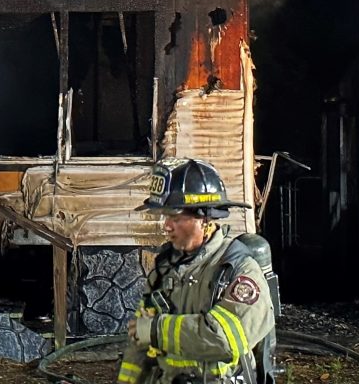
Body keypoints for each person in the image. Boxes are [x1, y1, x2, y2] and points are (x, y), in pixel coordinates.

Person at [117, 158, 276, 384]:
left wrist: (156, 330)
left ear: (205, 219)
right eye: (165, 216)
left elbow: (224, 339)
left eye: (176, 217)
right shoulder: (163, 270)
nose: (167, 226)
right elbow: (138, 345)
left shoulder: (238, 269)